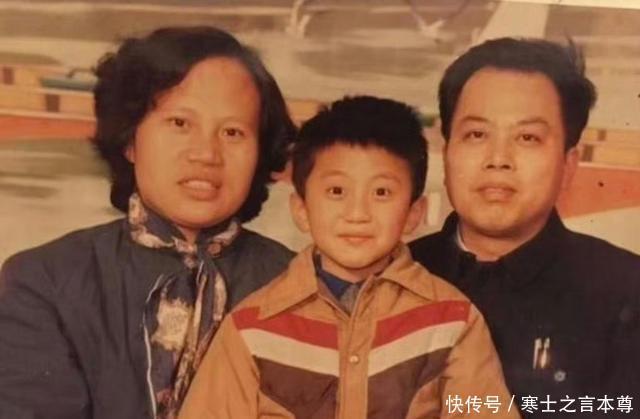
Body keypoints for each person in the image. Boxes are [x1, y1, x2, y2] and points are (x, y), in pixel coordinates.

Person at [0, 26, 296, 419]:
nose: (206, 153)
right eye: (179, 123)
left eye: (232, 132)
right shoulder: (43, 282)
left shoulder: (302, 287)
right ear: (129, 140)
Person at [178, 96, 520, 419]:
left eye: (381, 192)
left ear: (414, 213)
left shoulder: (452, 320)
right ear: (301, 209)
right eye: (336, 191)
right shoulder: (251, 327)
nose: (357, 213)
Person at [409, 37, 640, 415]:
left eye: (528, 138)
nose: (498, 159)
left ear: (568, 165)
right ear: (446, 151)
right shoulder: (386, 278)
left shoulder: (628, 291)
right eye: (476, 134)